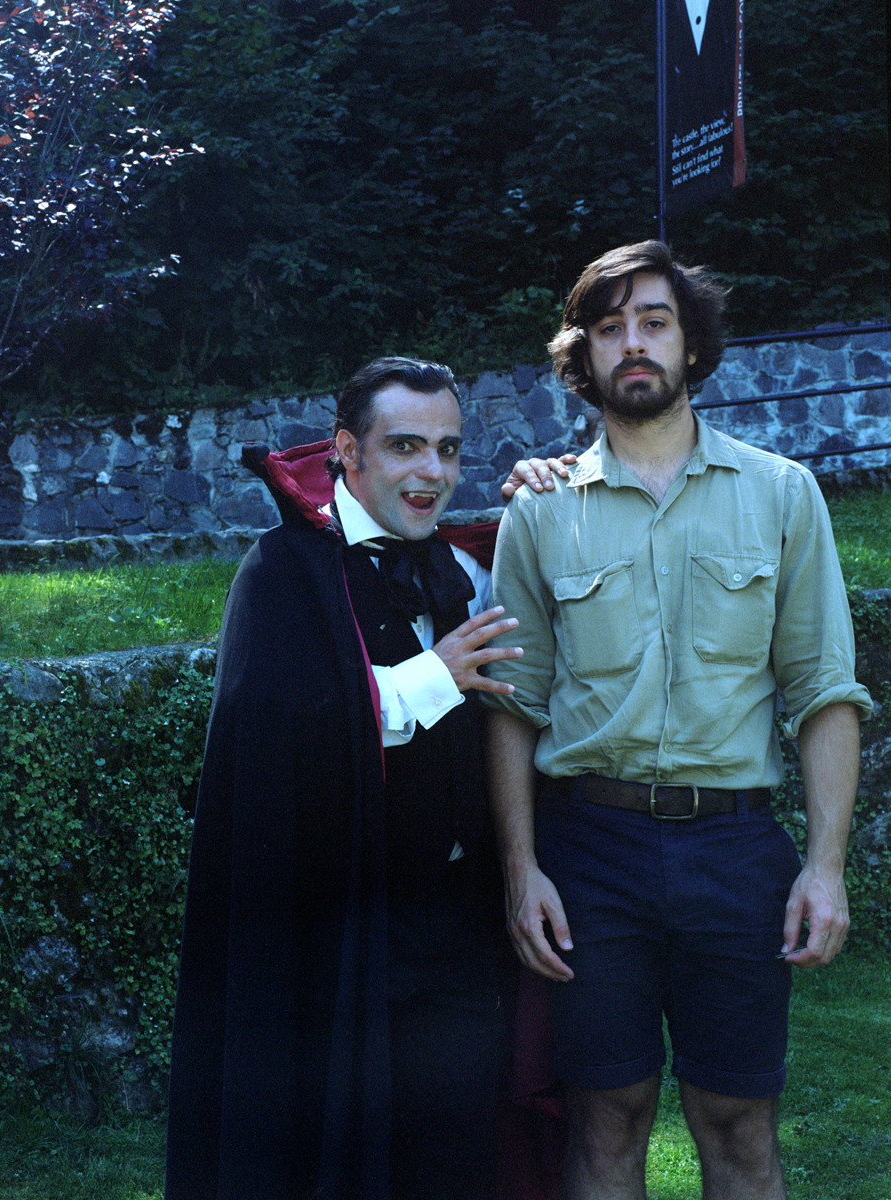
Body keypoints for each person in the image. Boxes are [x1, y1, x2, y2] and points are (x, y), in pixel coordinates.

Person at [484, 240, 873, 1200]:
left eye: (654, 321)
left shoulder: (784, 496)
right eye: (609, 328)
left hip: (736, 853)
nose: (633, 344)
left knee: (739, 1129)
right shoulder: (539, 513)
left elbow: (826, 692)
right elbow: (512, 709)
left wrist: (825, 868)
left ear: (693, 345)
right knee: (604, 1122)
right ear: (586, 356)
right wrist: (522, 868)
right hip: (590, 855)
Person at [165, 357, 564, 1200]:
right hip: (336, 943)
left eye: (450, 451)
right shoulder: (281, 575)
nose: (433, 474)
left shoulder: (463, 570)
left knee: (459, 1155)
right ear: (348, 450)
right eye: (406, 447)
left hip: (459, 932)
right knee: (341, 1162)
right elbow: (272, 738)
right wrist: (433, 678)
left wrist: (548, 489)